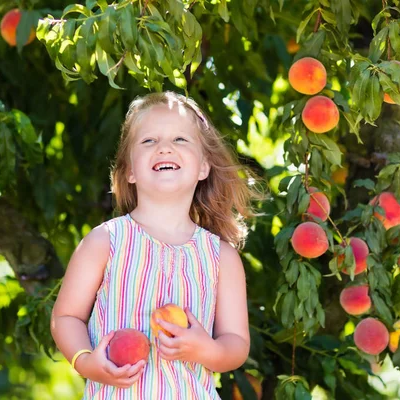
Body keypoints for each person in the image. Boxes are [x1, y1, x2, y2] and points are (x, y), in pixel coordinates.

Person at [51, 91, 260, 399]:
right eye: (149, 141)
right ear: (130, 171)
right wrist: (86, 362)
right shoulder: (105, 241)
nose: (164, 148)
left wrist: (207, 349)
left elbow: (236, 345)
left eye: (180, 140)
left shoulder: (221, 258)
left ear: (204, 167)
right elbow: (66, 317)